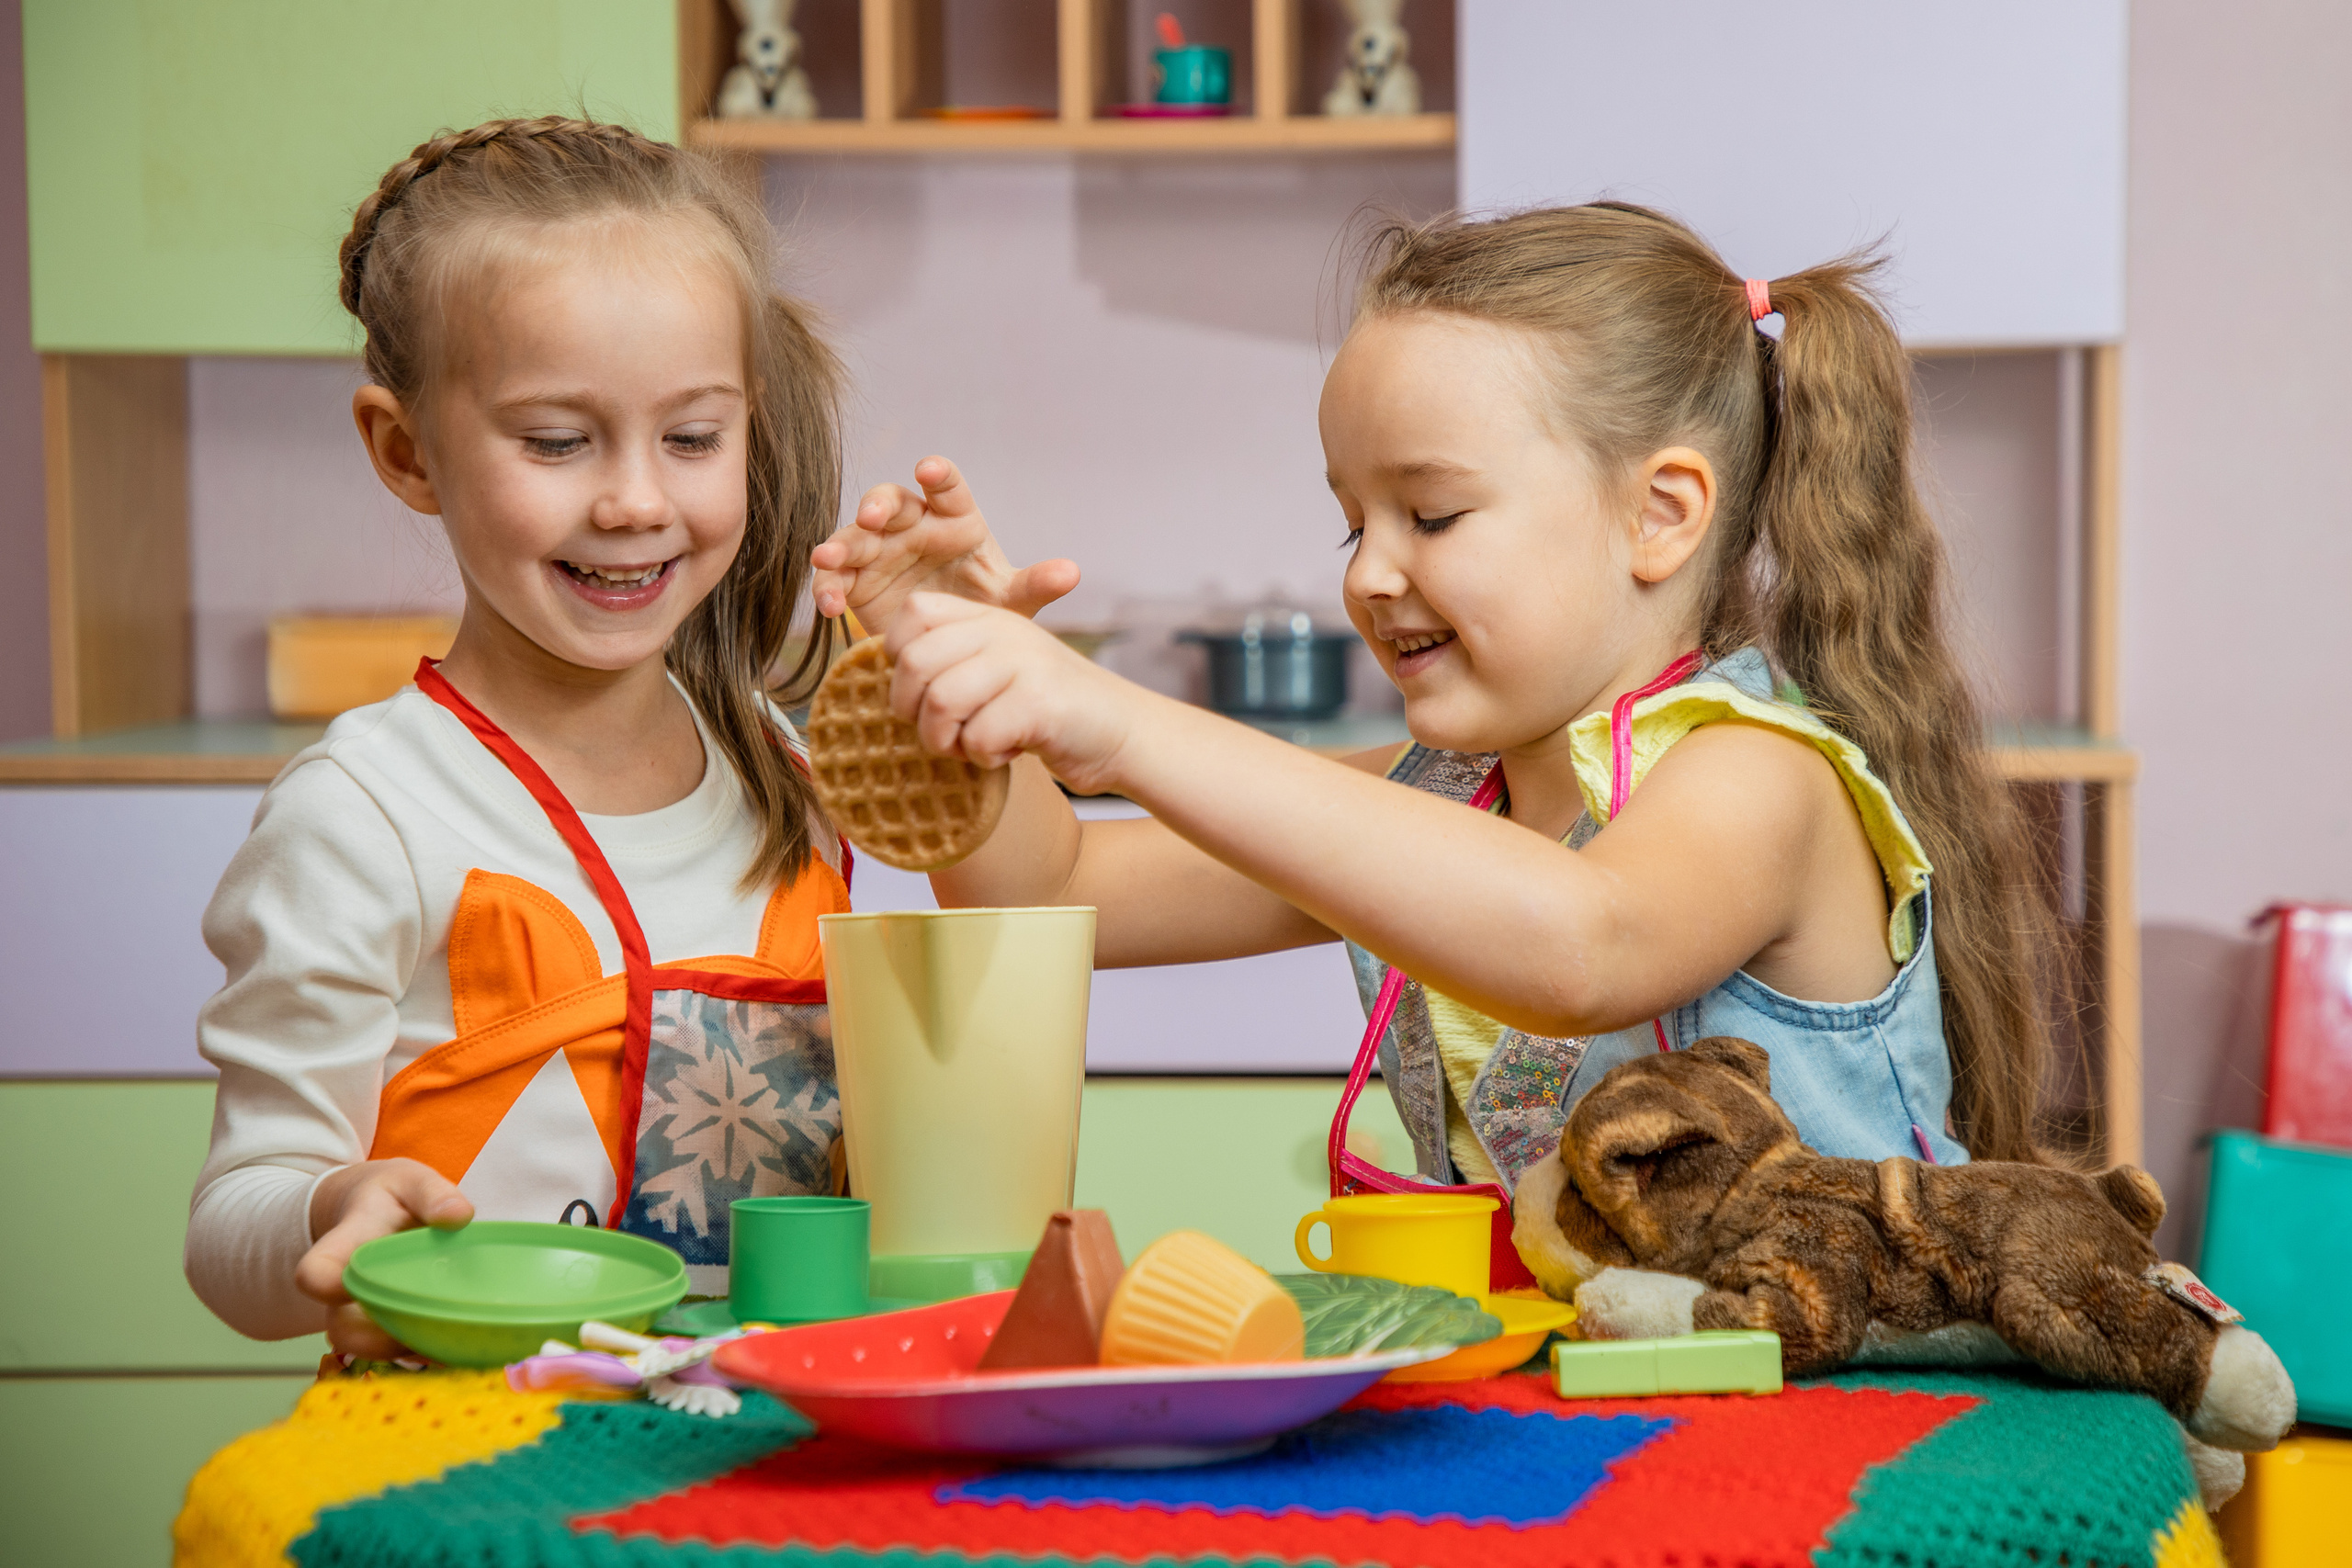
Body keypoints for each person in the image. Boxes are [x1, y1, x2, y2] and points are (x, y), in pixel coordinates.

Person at [821, 203, 2054, 1290]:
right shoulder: (1446, 803)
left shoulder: (1756, 781)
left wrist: (1126, 723)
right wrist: (961, 687)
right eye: (1351, 520)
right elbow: (1052, 890)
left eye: (1434, 513)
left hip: (1839, 1418)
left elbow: (1582, 944)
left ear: (1660, 515)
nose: (1368, 574)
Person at [187, 117, 870, 1356]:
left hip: (750, 1452)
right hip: (466, 1452)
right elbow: (234, 1226)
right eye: (556, 441)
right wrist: (329, 1215)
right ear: (408, 451)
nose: (635, 500)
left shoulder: (783, 764)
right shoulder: (367, 812)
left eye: (694, 437)